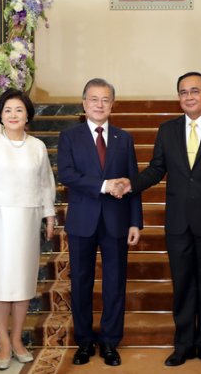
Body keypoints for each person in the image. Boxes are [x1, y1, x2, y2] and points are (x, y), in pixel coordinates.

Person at [113, 72, 201, 369]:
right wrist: (130, 184)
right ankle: (183, 344)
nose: (189, 97)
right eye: (183, 92)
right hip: (179, 223)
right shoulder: (167, 130)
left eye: (195, 91)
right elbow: (156, 169)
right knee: (183, 285)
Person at [57, 78, 143, 367]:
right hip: (82, 221)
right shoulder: (70, 136)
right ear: (84, 104)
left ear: (112, 104)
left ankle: (109, 341)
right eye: (93, 99)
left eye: (105, 99)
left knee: (114, 284)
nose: (99, 104)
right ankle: (83, 341)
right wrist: (105, 185)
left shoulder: (123, 138)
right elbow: (67, 175)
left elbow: (133, 182)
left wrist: (136, 221)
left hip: (117, 222)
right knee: (81, 283)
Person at [0, 88, 56, 370]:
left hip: (28, 220)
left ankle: (17, 338)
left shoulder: (37, 147)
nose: (13, 115)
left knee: (22, 283)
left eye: (19, 110)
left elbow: (46, 185)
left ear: (27, 114)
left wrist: (49, 217)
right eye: (7, 110)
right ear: (0, 115)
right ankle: (3, 340)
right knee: (0, 283)